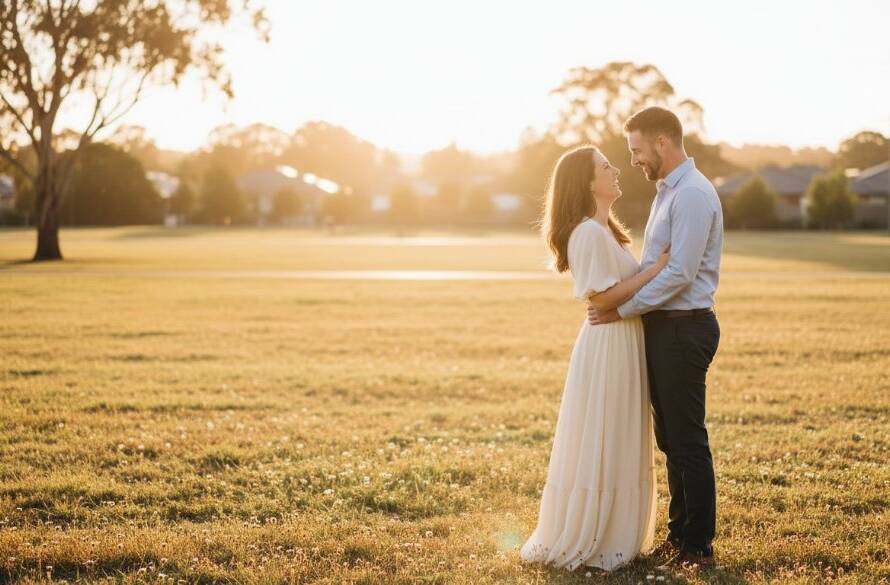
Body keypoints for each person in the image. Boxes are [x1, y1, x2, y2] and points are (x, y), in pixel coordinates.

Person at [519, 144, 669, 572]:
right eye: (606, 166)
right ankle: (595, 534)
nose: (615, 169)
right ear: (587, 182)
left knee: (619, 431)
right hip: (607, 345)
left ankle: (616, 530)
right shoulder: (586, 232)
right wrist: (654, 270)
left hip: (622, 340)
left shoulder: (607, 231)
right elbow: (600, 297)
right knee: (605, 432)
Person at [587, 106, 723, 570]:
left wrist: (621, 308)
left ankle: (698, 547)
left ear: (663, 143)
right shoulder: (668, 192)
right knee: (671, 439)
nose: (635, 160)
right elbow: (653, 266)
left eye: (638, 150)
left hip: (684, 327)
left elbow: (680, 274)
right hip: (666, 327)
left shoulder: (692, 196)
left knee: (686, 440)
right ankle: (680, 534)